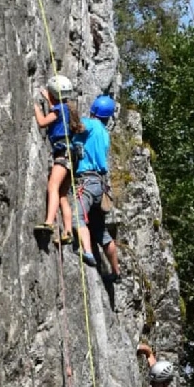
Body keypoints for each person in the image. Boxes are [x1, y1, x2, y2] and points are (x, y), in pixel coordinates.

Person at [69, 95, 121, 282]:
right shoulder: (105, 134)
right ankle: (116, 272)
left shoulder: (90, 124)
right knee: (100, 231)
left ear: (93, 111)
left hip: (87, 182)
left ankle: (87, 252)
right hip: (100, 185)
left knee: (77, 216)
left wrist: (70, 108)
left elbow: (78, 126)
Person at [33, 75, 85, 244]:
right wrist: (49, 100)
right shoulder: (66, 108)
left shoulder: (59, 109)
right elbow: (57, 114)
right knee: (63, 195)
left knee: (53, 187)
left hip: (62, 156)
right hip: (72, 157)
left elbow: (42, 122)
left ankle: (49, 223)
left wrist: (34, 107)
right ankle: (68, 231)